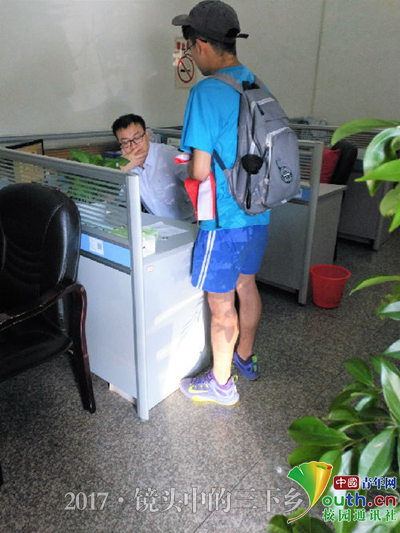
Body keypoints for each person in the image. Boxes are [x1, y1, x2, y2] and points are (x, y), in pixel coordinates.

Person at [172, 1, 271, 406]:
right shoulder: (256, 84)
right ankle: (244, 358)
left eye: (189, 46)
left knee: (220, 303)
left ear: (200, 45)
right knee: (247, 285)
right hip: (259, 210)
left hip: (224, 218)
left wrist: (183, 169)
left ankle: (221, 384)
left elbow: (198, 171)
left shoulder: (207, 91)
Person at [111, 113, 195, 222]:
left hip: (187, 224)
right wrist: (122, 169)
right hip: (157, 226)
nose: (133, 146)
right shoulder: (124, 164)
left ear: (146, 135)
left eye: (137, 138)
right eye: (125, 142)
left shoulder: (168, 155)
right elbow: (109, 198)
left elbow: (198, 180)